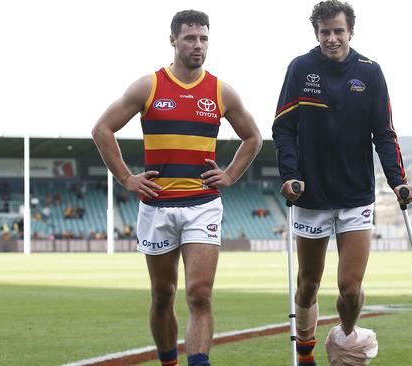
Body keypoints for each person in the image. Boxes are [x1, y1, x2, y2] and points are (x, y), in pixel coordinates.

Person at [91, 10, 262, 366]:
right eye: (190, 38)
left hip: (203, 205)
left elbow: (253, 137)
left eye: (203, 39)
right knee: (163, 295)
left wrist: (230, 175)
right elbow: (102, 129)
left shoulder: (220, 91)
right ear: (173, 41)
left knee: (200, 295)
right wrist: (126, 177)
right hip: (157, 207)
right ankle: (169, 361)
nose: (197, 45)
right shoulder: (148, 86)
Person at [272, 1, 412, 365]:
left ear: (351, 31)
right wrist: (290, 175)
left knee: (350, 289)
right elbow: (283, 128)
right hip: (312, 195)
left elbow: (384, 134)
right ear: (316, 33)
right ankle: (306, 356)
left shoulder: (370, 73)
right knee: (308, 285)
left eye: (338, 31)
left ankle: (344, 338)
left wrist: (398, 182)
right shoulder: (300, 69)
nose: (332, 38)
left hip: (355, 195)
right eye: (325, 32)